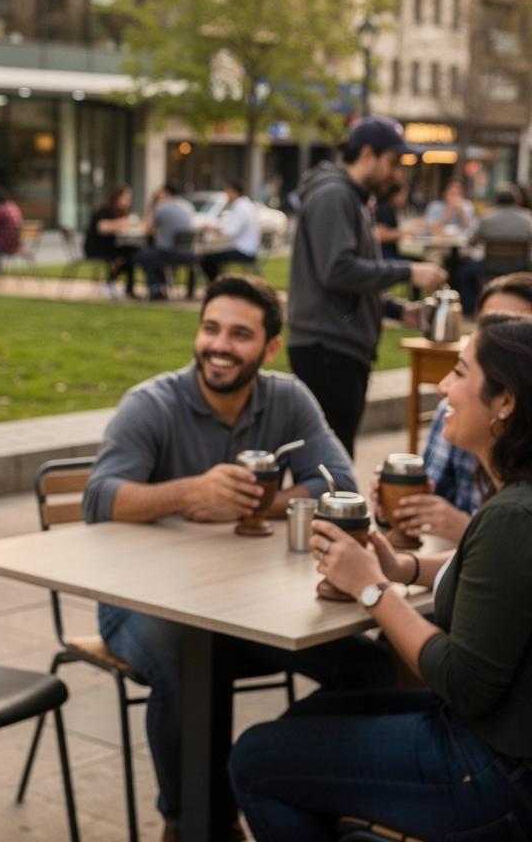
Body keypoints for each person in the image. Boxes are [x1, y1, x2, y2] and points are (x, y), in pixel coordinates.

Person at [83, 275, 394, 842]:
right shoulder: (151, 403)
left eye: (240, 334)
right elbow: (99, 499)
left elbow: (340, 483)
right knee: (181, 663)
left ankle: (296, 779)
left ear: (270, 347)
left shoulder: (288, 398)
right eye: (210, 328)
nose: (219, 345)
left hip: (248, 606)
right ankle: (195, 821)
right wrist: (189, 492)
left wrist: (262, 504)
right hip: (142, 603)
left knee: (373, 667)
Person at [229, 313, 532, 841]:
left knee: (255, 759)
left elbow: (463, 681)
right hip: (496, 752)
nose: (444, 385)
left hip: (488, 774)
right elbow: (495, 577)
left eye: (460, 372)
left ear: (504, 401)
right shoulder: (515, 503)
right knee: (310, 716)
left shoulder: (512, 516)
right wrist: (403, 566)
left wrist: (373, 588)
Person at [287, 116, 447, 456]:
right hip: (327, 347)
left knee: (326, 459)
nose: (397, 174)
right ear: (368, 154)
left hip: (336, 346)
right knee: (330, 462)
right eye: (394, 162)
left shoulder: (350, 197)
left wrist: (398, 310)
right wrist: (408, 273)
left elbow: (346, 280)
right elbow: (337, 270)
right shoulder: (334, 195)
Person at [373, 271, 532, 545]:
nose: (443, 387)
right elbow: (429, 503)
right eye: (488, 325)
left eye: (513, 325)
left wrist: (468, 530)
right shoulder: (457, 415)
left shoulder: (516, 507)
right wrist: (394, 504)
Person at [457, 184, 532, 314]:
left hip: (490, 267)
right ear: (516, 200)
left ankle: (470, 309)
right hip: (519, 267)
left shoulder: (487, 217)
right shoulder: (527, 218)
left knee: (463, 272)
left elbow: (473, 242)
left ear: (496, 200)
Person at [135, 183, 196, 301]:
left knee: (142, 256)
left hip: (169, 253)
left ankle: (156, 288)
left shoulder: (162, 208)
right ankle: (160, 287)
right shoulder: (184, 208)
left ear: (166, 193)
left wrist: (152, 204)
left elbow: (147, 228)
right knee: (152, 256)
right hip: (187, 254)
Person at [84, 183, 140, 298]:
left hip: (108, 246)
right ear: (118, 198)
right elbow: (102, 227)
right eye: (126, 198)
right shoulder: (106, 210)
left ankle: (119, 285)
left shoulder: (118, 212)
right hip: (96, 248)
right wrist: (123, 222)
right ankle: (113, 284)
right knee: (130, 254)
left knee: (133, 252)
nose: (129, 201)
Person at [200, 180, 261, 282]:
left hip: (244, 250)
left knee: (207, 259)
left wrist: (211, 227)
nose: (226, 195)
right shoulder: (246, 205)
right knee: (213, 257)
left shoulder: (241, 208)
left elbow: (230, 231)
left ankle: (216, 286)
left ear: (234, 192)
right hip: (249, 248)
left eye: (227, 192)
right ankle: (218, 284)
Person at [372, 180, 408, 262]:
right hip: (385, 256)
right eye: (403, 195)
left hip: (389, 254)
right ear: (394, 195)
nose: (405, 198)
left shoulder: (388, 209)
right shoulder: (384, 210)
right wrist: (405, 233)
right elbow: (379, 235)